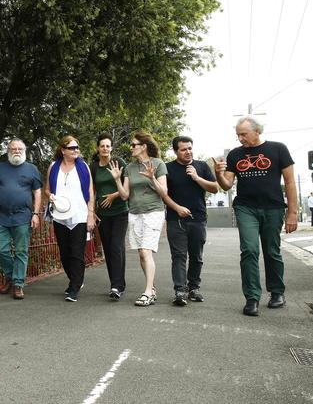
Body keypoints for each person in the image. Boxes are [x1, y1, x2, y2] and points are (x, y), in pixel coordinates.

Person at [213, 116, 298, 316]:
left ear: (257, 131)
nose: (240, 138)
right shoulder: (235, 154)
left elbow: (290, 182)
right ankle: (252, 298)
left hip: (273, 207)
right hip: (246, 208)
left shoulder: (278, 149)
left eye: (243, 134)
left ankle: (277, 292)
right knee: (249, 250)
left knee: (271, 251)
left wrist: (292, 213)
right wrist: (218, 173)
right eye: (238, 135)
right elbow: (226, 185)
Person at [109, 131, 167, 307]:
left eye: (134, 145)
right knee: (141, 253)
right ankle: (152, 287)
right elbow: (125, 195)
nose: (131, 148)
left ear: (144, 146)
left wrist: (152, 179)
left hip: (153, 212)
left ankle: (148, 292)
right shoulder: (130, 168)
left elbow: (164, 192)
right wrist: (117, 180)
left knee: (145, 251)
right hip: (134, 213)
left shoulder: (158, 164)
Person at [161, 136, 218, 306]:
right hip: (175, 219)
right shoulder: (168, 168)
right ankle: (180, 290)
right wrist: (177, 208)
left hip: (198, 218)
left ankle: (194, 288)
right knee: (179, 256)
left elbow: (215, 188)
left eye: (190, 148)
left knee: (196, 256)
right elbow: (163, 195)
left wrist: (197, 178)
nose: (188, 152)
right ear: (175, 151)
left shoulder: (201, 166)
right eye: (183, 149)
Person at [0, 138, 43, 299]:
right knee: (1, 250)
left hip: (23, 216)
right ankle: (11, 276)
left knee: (21, 251)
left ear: (24, 151)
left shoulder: (32, 169)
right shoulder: (0, 168)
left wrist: (36, 214)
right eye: (13, 149)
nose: (16, 151)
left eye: (19, 149)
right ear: (8, 151)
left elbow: (37, 192)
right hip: (2, 216)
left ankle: (18, 284)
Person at [45, 135, 96, 302]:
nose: (76, 150)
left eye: (77, 148)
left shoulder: (83, 167)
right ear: (63, 150)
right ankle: (75, 279)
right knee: (64, 254)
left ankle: (74, 287)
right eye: (72, 148)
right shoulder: (53, 167)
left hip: (80, 215)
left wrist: (90, 215)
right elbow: (47, 189)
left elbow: (90, 193)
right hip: (60, 216)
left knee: (76, 253)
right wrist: (51, 196)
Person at [91, 133, 129, 301]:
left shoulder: (119, 163)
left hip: (120, 212)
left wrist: (113, 196)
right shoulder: (93, 167)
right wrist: (91, 212)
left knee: (116, 246)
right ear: (98, 148)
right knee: (109, 249)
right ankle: (116, 283)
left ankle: (117, 286)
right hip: (103, 215)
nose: (105, 148)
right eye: (102, 146)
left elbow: (128, 188)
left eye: (108, 146)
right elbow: (91, 191)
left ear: (111, 148)